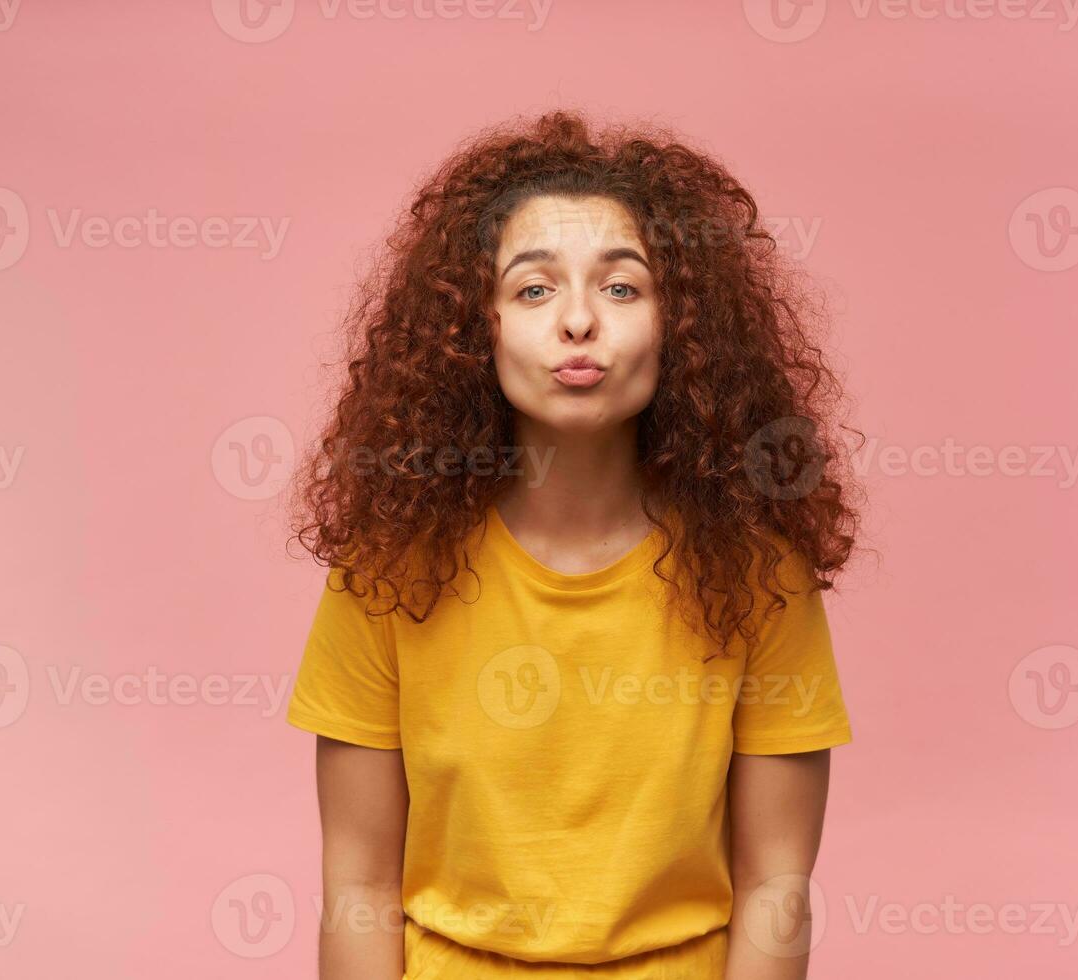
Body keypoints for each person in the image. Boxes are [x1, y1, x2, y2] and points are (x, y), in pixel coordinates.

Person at [286, 109, 861, 980]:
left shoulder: (758, 573)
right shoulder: (386, 569)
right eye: (533, 289)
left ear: (685, 328)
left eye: (623, 287)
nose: (580, 322)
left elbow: (775, 883)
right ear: (470, 330)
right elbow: (358, 886)